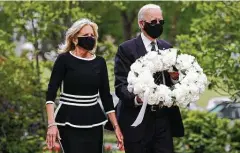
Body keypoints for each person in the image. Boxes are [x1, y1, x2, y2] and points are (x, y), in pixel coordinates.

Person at [45, 18, 123, 153]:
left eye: (92, 36)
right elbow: (51, 93)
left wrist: (116, 126)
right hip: (67, 120)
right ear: (75, 39)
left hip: (94, 121)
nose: (90, 38)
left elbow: (106, 96)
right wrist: (51, 124)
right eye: (86, 36)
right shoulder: (64, 60)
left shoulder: (99, 62)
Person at [114, 4, 184, 153]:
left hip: (163, 119)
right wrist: (138, 98)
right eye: (153, 22)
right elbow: (120, 86)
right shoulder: (126, 49)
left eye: (161, 21)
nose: (158, 25)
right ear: (141, 24)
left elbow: (175, 84)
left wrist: (175, 78)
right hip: (137, 120)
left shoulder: (167, 47)